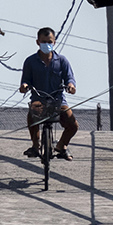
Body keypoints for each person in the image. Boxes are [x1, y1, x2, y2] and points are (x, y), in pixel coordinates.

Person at [19, 27, 78, 160]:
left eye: (49, 41)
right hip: (38, 100)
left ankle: (62, 146)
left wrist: (71, 86)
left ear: (54, 42)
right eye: (44, 42)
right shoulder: (30, 61)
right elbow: (25, 80)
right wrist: (24, 86)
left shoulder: (62, 61)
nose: (47, 45)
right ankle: (35, 146)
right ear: (38, 42)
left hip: (58, 101)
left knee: (73, 125)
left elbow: (70, 78)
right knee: (32, 117)